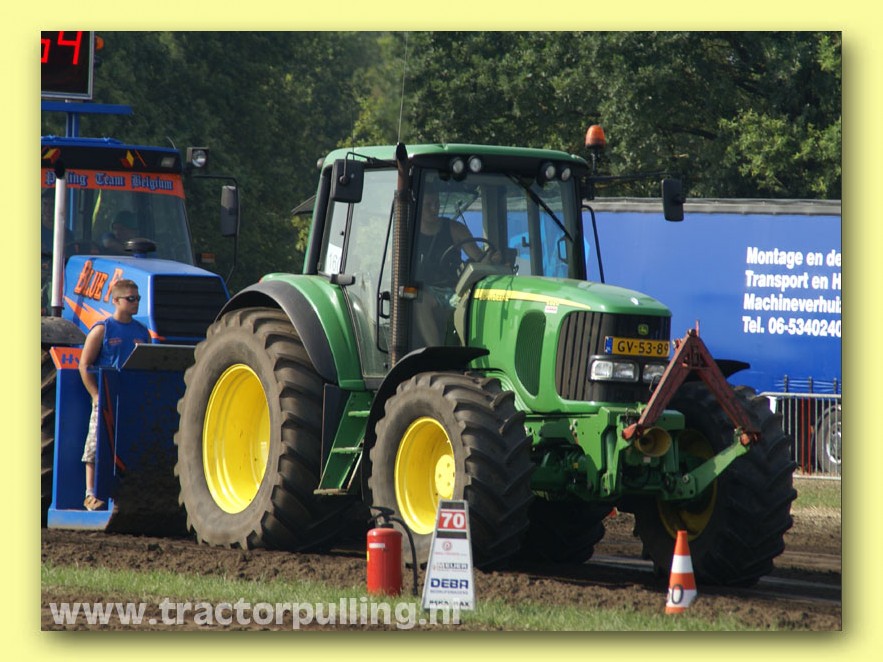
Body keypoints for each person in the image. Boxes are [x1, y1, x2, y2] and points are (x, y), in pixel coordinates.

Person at [78, 279, 150, 511]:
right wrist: (96, 395)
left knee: (131, 445)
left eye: (138, 298)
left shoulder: (142, 332)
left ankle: (129, 494)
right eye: (131, 299)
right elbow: (84, 365)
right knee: (96, 444)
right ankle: (90, 494)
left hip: (132, 400)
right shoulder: (102, 330)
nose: (136, 302)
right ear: (116, 300)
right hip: (107, 399)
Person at [413, 187, 500, 345]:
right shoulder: (409, 233)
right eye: (428, 205)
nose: (434, 209)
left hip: (456, 289)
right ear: (418, 207)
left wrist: (491, 259)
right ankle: (435, 352)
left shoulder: (455, 229)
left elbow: (479, 257)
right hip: (427, 291)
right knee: (419, 299)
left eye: (437, 203)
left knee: (478, 300)